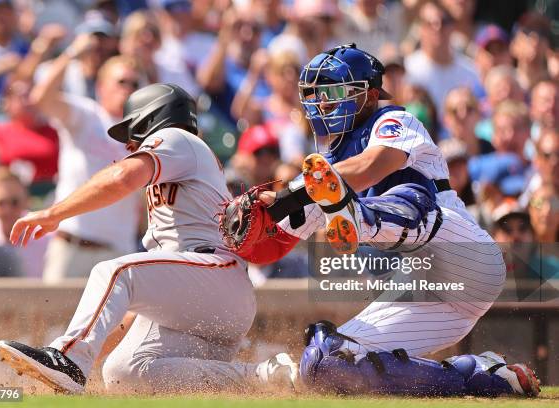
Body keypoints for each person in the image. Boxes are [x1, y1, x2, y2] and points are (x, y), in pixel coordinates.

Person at [220, 43, 539, 396]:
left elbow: (372, 166)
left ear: (369, 95)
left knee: (405, 200)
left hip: (466, 257)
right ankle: (482, 375)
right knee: (327, 365)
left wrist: (289, 196)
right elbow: (274, 245)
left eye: (335, 92)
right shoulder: (319, 171)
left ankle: (357, 218)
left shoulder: (394, 120)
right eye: (314, 94)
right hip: (425, 289)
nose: (322, 103)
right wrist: (249, 230)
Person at [0, 83, 297, 394]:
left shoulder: (177, 138)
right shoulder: (182, 160)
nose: (129, 142)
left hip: (213, 275)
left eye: (132, 129)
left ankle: (66, 359)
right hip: (202, 299)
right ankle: (263, 376)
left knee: (113, 270)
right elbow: (146, 291)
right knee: (123, 372)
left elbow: (121, 178)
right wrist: (95, 346)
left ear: (151, 119)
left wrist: (54, 214)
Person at [29, 37, 140, 283]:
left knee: (116, 323)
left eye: (135, 84)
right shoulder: (88, 115)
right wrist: (71, 53)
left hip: (117, 253)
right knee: (53, 322)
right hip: (72, 245)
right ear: (101, 86)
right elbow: (41, 98)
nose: (128, 89)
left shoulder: (143, 134)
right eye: (122, 82)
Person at [404, 1, 480, 118]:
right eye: (430, 23)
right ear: (420, 29)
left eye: (444, 22)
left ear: (453, 26)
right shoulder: (408, 69)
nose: (438, 28)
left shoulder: (470, 71)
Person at [0, 168, 48, 278]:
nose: (8, 210)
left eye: (14, 202)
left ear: (27, 201)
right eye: (1, 203)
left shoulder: (45, 233)